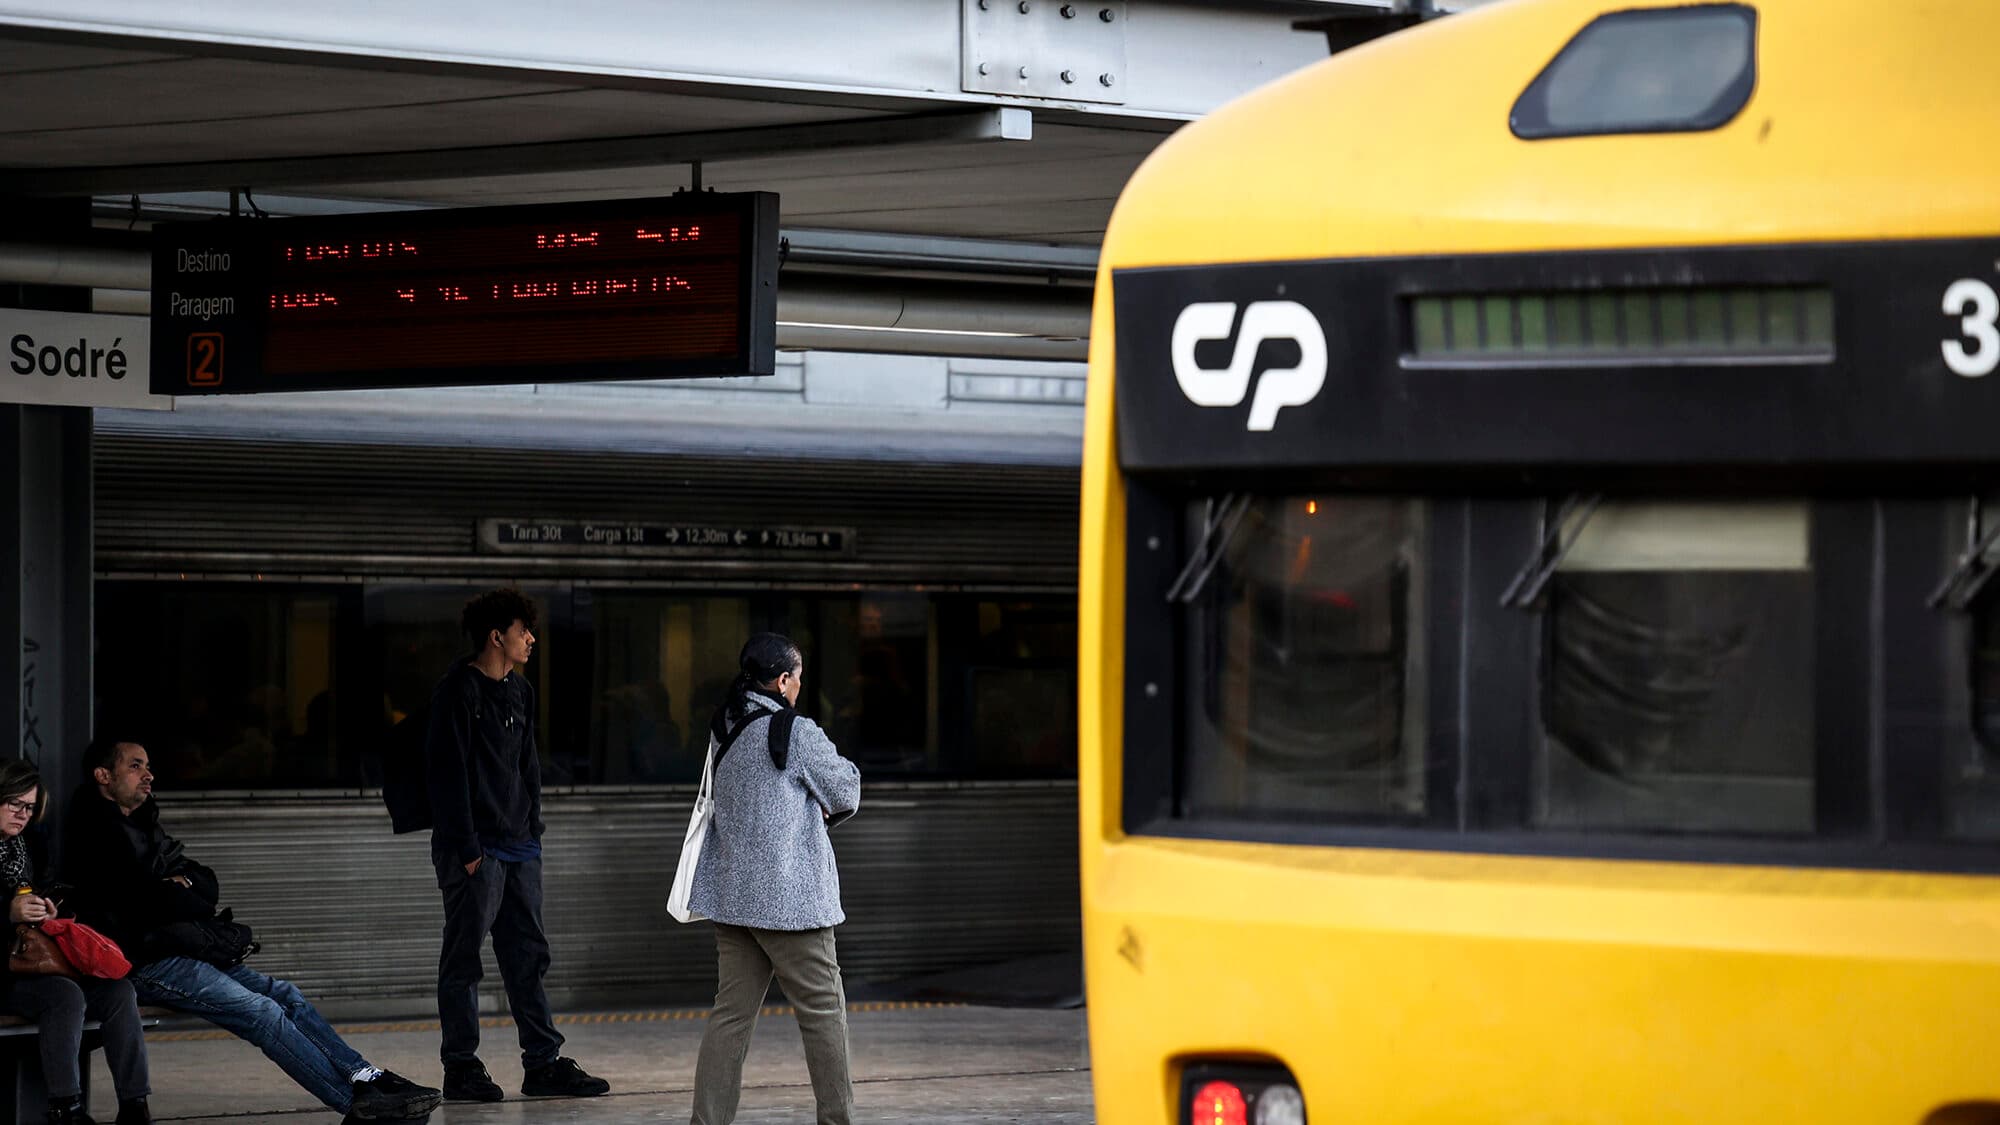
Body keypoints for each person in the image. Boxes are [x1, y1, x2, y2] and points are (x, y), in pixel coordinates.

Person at [61, 739, 440, 1122]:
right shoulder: (95, 832)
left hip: (185, 946)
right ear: (103, 776)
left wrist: (176, 889)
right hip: (145, 960)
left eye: (148, 766)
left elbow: (205, 886)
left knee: (286, 995)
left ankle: (364, 1076)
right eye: (136, 766)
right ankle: (358, 1107)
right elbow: (146, 903)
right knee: (261, 1012)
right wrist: (172, 891)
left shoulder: (143, 823)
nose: (149, 775)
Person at [424, 588, 607, 1102]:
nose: (531, 638)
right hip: (476, 849)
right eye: (523, 629)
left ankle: (543, 1064)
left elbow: (527, 765)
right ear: (496, 636)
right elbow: (445, 774)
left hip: (520, 845)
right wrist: (466, 848)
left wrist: (534, 830)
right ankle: (460, 1067)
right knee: (463, 959)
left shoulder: (521, 692)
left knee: (527, 957)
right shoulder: (458, 691)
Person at [688, 633, 861, 1125]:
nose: (800, 686)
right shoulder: (794, 730)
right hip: (791, 903)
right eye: (798, 677)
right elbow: (845, 788)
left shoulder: (724, 725)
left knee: (730, 1017)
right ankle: (837, 1120)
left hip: (734, 899)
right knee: (824, 1013)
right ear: (783, 680)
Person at [0, 759, 151, 1125]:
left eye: (30, 807)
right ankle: (65, 1108)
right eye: (14, 804)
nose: (23, 814)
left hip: (38, 960)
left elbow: (53, 891)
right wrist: (8, 912)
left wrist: (50, 910)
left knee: (119, 992)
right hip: (9, 974)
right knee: (64, 995)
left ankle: (135, 1106)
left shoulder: (29, 845)